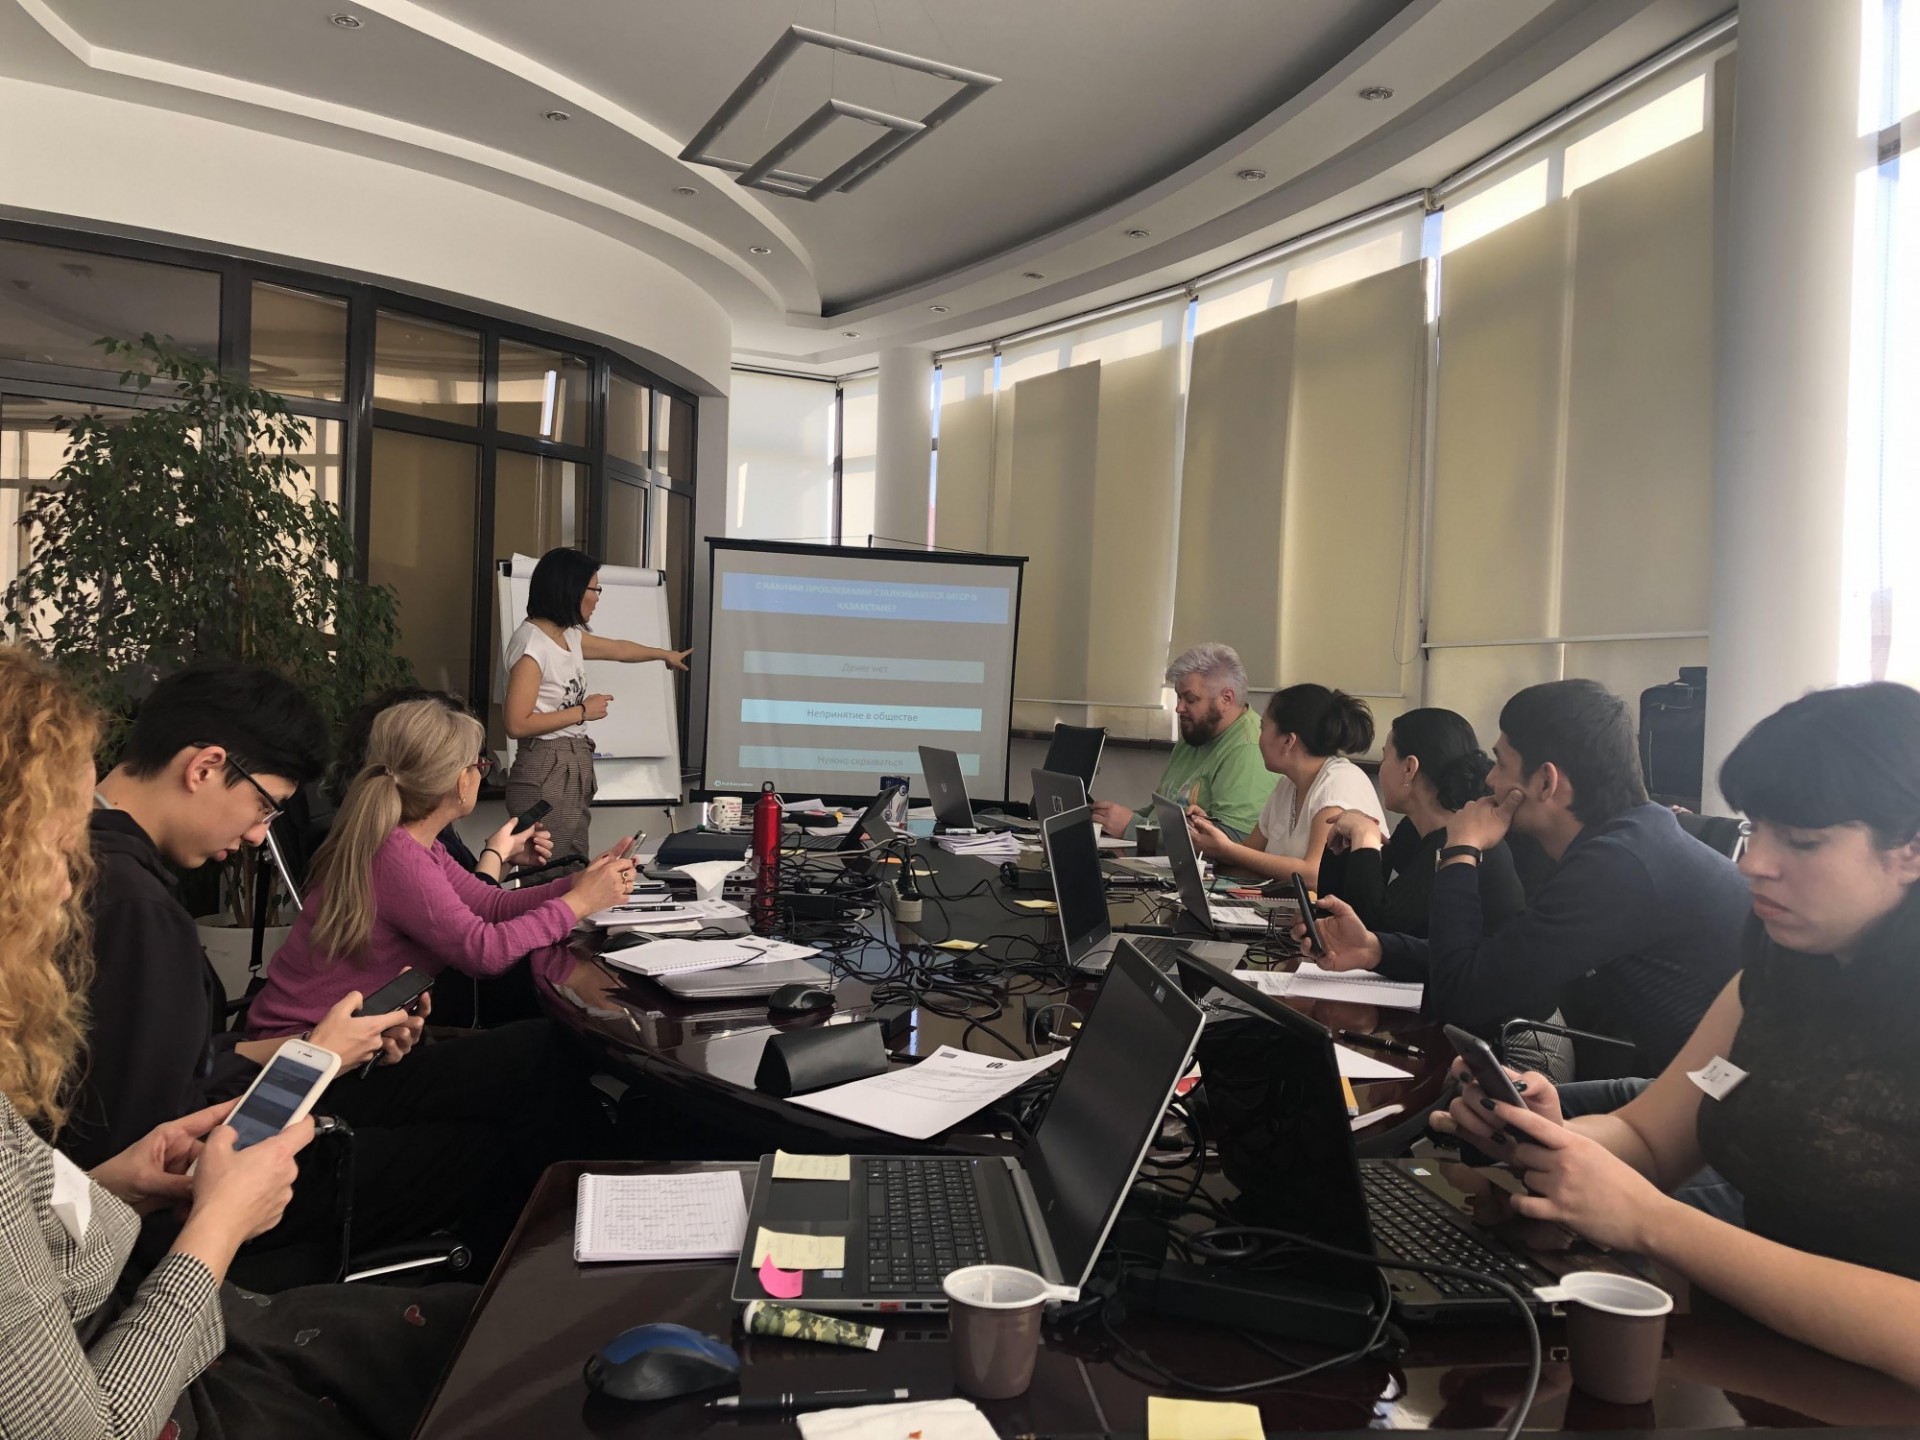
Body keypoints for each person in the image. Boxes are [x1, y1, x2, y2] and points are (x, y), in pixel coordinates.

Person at [0, 644, 473, 1440]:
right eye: (54, 844)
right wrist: (219, 1223)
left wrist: (115, 1187)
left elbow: (42, 1241)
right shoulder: (133, 907)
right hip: (160, 1306)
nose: (68, 878)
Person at [1436, 682, 1920, 1389]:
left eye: (1804, 841)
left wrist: (1655, 1223)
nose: (1755, 862)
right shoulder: (1776, 973)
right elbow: (1653, 1139)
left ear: (1909, 849)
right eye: (1758, 831)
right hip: (1749, 1363)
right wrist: (1552, 1138)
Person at [70, 663, 541, 1275]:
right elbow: (164, 1153)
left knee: (516, 1072)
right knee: (490, 1146)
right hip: (198, 1217)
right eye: (267, 808)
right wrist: (317, 1058)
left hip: (231, 1130)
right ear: (205, 767)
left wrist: (300, 1048)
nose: (259, 836)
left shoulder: (88, 873)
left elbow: (179, 1071)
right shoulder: (136, 912)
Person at [1305, 679, 1750, 1075]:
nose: (1489, 780)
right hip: (1679, 1087)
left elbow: (1465, 992)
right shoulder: (1626, 841)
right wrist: (1377, 949)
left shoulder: (1619, 864)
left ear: (1545, 783)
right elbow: (1498, 959)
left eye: (1499, 763)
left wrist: (1459, 850)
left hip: (1717, 1116)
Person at [248, 697, 635, 1038]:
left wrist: (578, 884)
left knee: (539, 1049)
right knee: (544, 1052)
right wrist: (578, 904)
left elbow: (490, 905)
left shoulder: (417, 845)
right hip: (305, 1052)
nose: (480, 775)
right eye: (478, 765)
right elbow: (483, 952)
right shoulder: (396, 855)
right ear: (458, 781)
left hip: (343, 1041)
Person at [502, 546, 692, 860]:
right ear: (570, 590)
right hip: (545, 767)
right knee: (551, 870)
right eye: (594, 588)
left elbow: (619, 649)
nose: (598, 597)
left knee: (574, 865)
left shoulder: (568, 637)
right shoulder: (532, 644)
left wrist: (663, 655)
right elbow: (516, 724)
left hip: (571, 762)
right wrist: (582, 712)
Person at [1317, 707, 1526, 936]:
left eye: (1386, 757)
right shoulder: (1413, 830)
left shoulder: (1459, 840)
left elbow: (1375, 929)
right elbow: (1342, 910)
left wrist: (1365, 837)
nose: (1381, 767)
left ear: (1409, 768)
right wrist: (1347, 849)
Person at [333, 686, 552, 885]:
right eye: (476, 763)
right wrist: (577, 898)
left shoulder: (430, 841)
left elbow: (473, 894)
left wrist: (503, 857)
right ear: (456, 777)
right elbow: (471, 920)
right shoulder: (407, 850)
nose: (480, 772)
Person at [1186, 683, 1385, 887]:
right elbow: (1249, 855)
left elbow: (1314, 874)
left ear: (1288, 741)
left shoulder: (1339, 782)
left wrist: (1227, 849)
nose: (1258, 737)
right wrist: (1210, 834)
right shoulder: (1287, 784)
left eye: (1263, 728)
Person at [1088, 642, 1277, 842]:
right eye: (1178, 697)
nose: (1179, 708)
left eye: (1191, 699)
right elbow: (1159, 812)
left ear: (1226, 698)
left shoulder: (1248, 749)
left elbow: (1233, 840)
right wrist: (1109, 820)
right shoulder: (1196, 734)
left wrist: (1131, 827)